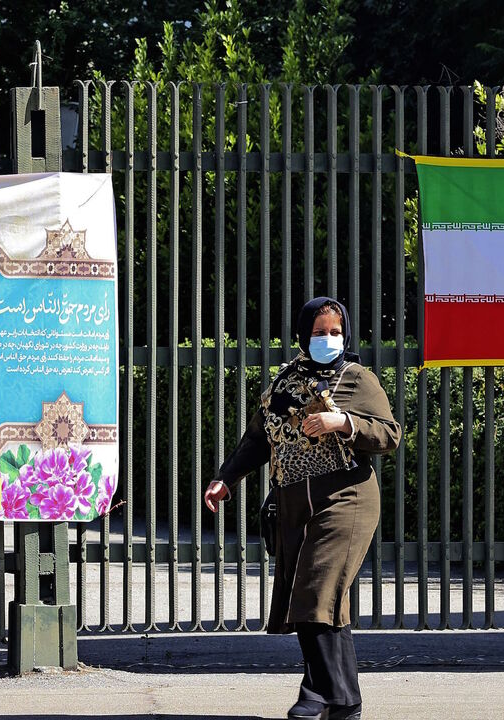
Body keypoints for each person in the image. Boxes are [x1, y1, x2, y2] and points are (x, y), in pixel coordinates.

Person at [203, 297, 400, 720]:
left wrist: (343, 423)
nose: (328, 339)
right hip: (293, 502)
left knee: (314, 592)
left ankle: (319, 693)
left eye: (335, 332)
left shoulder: (357, 379)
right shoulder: (286, 381)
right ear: (302, 335)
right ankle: (343, 702)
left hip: (345, 498)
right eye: (318, 332)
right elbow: (258, 438)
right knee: (326, 605)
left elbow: (389, 434)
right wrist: (225, 478)